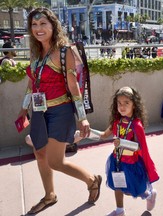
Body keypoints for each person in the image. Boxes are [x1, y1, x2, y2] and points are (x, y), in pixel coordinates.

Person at [17, 8, 102, 214]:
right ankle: (49, 195)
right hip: (39, 112)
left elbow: (74, 88)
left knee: (55, 161)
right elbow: (32, 83)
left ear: (53, 26)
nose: (38, 28)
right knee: (39, 152)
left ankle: (92, 180)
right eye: (34, 25)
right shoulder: (36, 52)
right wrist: (23, 109)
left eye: (43, 23)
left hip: (60, 112)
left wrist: (82, 118)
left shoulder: (65, 52)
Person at [98, 86, 159, 216]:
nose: (122, 106)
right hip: (116, 160)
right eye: (119, 103)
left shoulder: (136, 125)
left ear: (134, 105)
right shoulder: (117, 120)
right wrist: (85, 133)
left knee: (131, 189)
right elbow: (104, 135)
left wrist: (123, 143)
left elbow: (139, 147)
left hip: (131, 163)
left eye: (126, 103)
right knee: (117, 185)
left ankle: (149, 195)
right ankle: (120, 210)